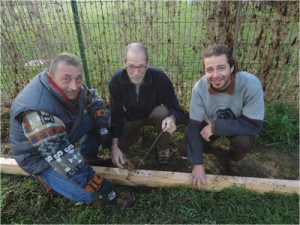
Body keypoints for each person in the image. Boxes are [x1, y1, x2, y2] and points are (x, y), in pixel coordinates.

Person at [10, 53, 118, 205]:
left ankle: (87, 156)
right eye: (66, 79)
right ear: (51, 75)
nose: (74, 86)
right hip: (40, 157)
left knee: (100, 115)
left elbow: (93, 99)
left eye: (78, 78)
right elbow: (64, 159)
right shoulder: (38, 113)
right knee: (89, 194)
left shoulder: (72, 87)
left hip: (62, 132)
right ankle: (44, 178)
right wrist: (101, 185)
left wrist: (102, 125)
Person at [179, 44, 264, 189]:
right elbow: (194, 126)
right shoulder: (199, 88)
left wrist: (215, 126)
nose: (216, 75)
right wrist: (197, 164)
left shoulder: (250, 84)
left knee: (243, 142)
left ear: (231, 67)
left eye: (221, 68)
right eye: (210, 69)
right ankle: (205, 145)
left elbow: (253, 125)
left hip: (236, 126)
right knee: (184, 150)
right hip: (207, 124)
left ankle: (235, 158)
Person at [109, 43, 184, 168]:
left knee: (163, 112)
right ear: (124, 63)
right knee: (115, 143)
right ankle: (137, 134)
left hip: (152, 114)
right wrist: (114, 146)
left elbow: (176, 109)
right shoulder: (116, 81)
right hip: (132, 116)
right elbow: (115, 113)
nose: (136, 73)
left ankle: (163, 147)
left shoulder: (160, 78)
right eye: (131, 67)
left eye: (141, 67)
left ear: (148, 63)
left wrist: (172, 118)